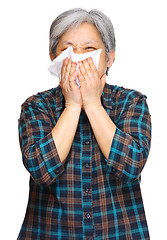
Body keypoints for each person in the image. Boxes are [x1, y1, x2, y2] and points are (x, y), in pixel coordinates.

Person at [17, 8, 151, 240]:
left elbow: (131, 166)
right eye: (67, 49)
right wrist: (72, 106)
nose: (77, 57)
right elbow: (41, 171)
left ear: (109, 57)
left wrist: (92, 105)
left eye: (89, 49)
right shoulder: (37, 106)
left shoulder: (131, 102)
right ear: (53, 57)